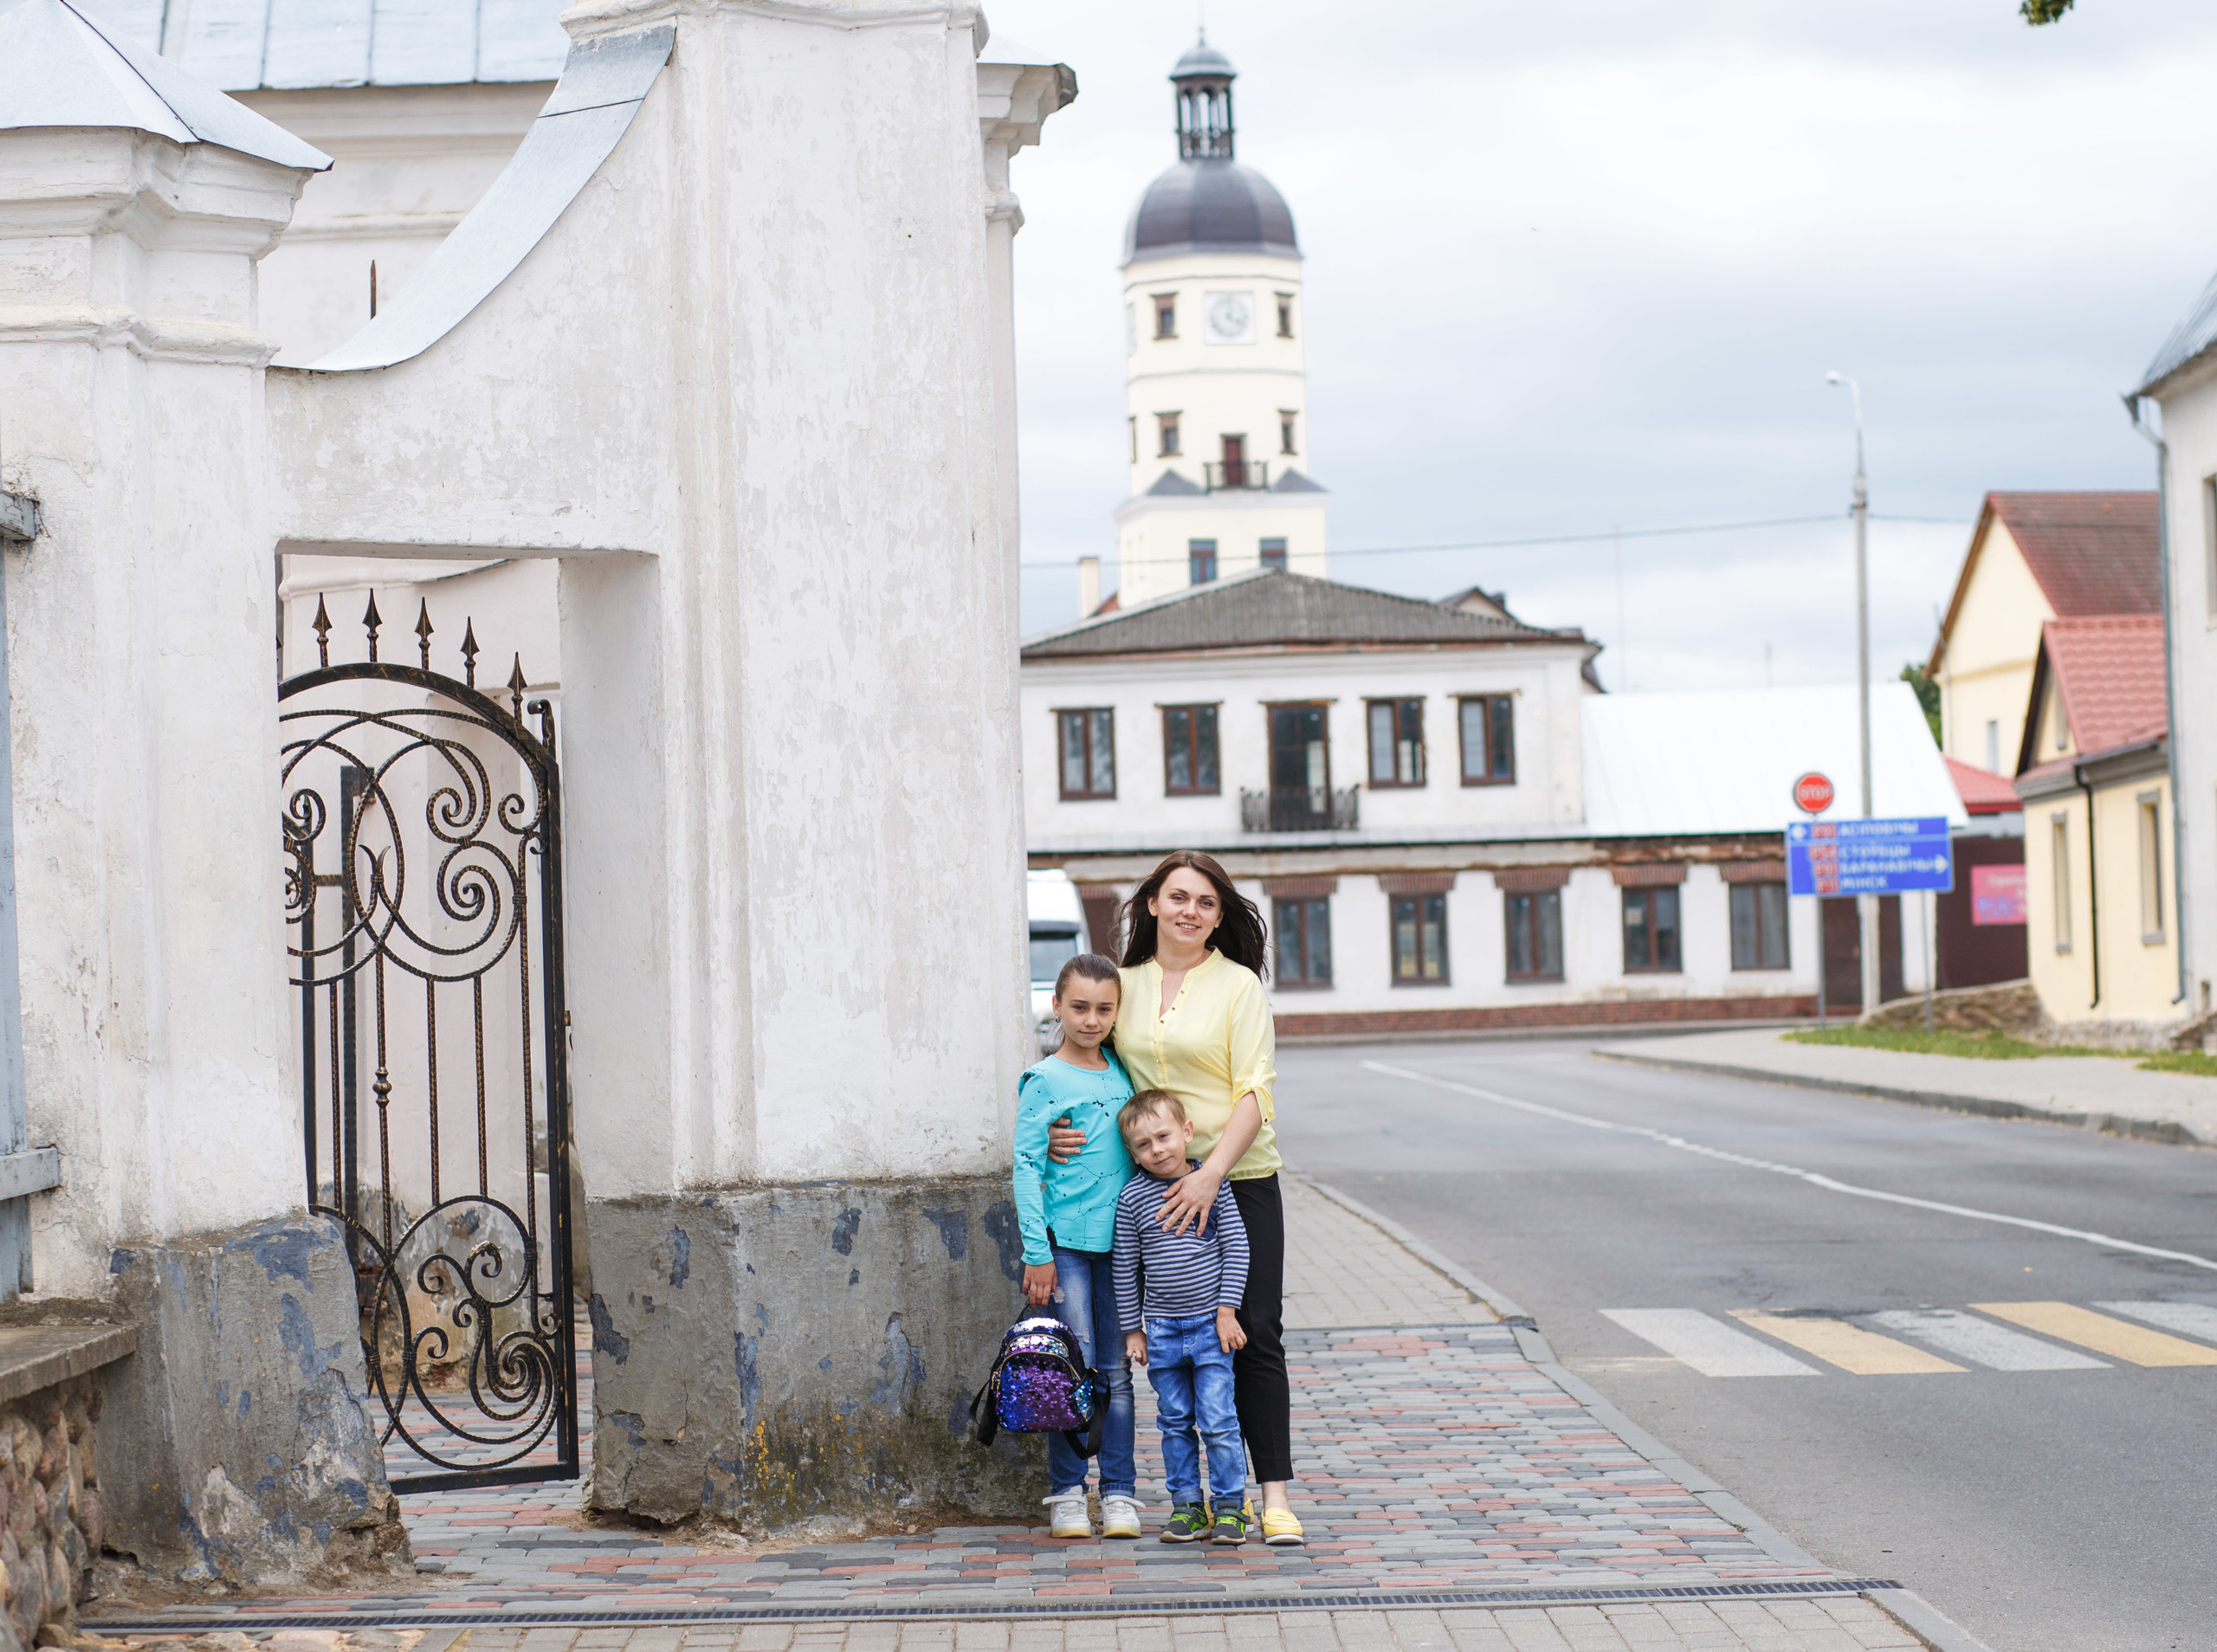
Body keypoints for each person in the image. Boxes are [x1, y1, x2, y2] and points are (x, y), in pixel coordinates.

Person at [1049, 849, 1301, 1546]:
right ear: (1154, 903)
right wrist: (1057, 1130)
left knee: (1254, 1331)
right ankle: (1197, 1497)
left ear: (1219, 918)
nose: (1192, 911)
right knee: (1168, 1340)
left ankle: (1273, 1498)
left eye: (1207, 903)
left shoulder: (1238, 986)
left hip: (1238, 1178)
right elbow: (1088, 1061)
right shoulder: (1122, 984)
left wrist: (1210, 1172)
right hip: (1151, 1190)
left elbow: (1256, 1091)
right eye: (1180, 897)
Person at [1012, 953, 1140, 1541]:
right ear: (1057, 1006)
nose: (1091, 1020)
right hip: (1064, 1249)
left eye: (1104, 1009)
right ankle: (1067, 1492)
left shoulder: (1126, 1073)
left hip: (1123, 1249)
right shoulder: (1044, 1079)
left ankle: (1119, 1493)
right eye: (1080, 1007)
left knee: (1115, 1371)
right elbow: (1025, 1166)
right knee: (1070, 1367)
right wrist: (1036, 1252)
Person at [1113, 1089, 1250, 1545]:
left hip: (1212, 1327)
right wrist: (1133, 1330)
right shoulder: (1132, 1198)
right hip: (1164, 1331)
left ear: (1186, 1132)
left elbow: (1237, 1248)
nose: (1157, 1149)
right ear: (1132, 1152)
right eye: (1143, 1144)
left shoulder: (1212, 1184)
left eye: (1164, 1136)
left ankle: (1230, 1508)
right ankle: (1187, 1506)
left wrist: (1227, 1312)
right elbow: (1126, 1268)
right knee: (1174, 1422)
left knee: (1218, 1420)